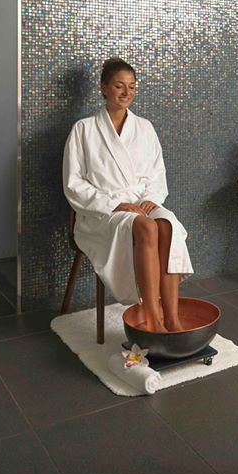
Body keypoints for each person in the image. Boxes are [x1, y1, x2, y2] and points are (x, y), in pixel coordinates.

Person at [63, 57, 193, 332]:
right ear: (103, 88)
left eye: (132, 87)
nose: (126, 93)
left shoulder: (144, 128)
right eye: (119, 86)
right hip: (102, 211)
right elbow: (74, 183)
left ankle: (172, 318)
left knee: (167, 225)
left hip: (141, 203)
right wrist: (116, 203)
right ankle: (153, 319)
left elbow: (157, 172)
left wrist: (151, 199)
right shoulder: (84, 129)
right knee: (146, 227)